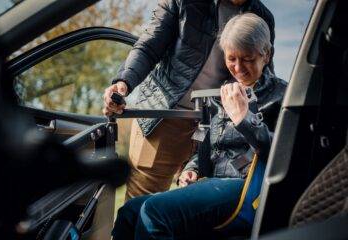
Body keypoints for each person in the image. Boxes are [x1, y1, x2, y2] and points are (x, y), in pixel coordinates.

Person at [111, 13, 287, 240]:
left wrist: (244, 119)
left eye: (248, 59)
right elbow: (209, 145)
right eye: (231, 59)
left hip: (248, 187)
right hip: (213, 183)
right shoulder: (221, 92)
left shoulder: (282, 96)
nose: (238, 67)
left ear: (267, 55)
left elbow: (281, 153)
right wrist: (191, 169)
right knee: (130, 211)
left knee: (153, 212)